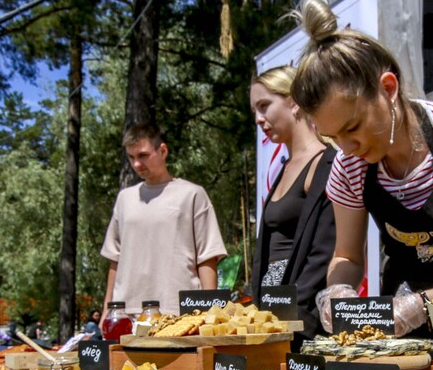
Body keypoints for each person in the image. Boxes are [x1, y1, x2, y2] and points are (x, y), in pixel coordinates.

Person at [290, 0, 433, 337]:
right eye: (333, 137)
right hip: (406, 337)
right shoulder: (348, 169)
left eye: (353, 127)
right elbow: (348, 257)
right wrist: (337, 292)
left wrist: (423, 306)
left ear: (388, 88)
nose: (347, 148)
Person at [100, 123, 227, 317]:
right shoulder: (125, 199)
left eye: (143, 155)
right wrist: (107, 311)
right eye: (131, 157)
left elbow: (207, 256)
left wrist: (209, 313)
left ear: (163, 151)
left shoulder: (192, 194)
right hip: (126, 313)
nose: (136, 164)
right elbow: (114, 260)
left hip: (178, 312)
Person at [250, 66, 337, 344]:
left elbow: (325, 252)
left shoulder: (326, 163)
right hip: (269, 316)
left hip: (301, 321)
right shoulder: (283, 169)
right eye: (255, 109)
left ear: (294, 100)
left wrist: (292, 310)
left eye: (264, 106)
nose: (258, 118)